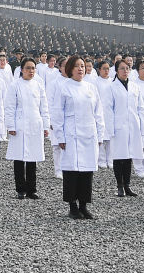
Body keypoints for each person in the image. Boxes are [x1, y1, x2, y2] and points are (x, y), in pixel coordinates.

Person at [50, 54, 105, 220]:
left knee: (87, 171)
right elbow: (58, 113)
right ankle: (72, 205)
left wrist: (100, 134)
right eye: (77, 66)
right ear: (70, 69)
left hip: (89, 134)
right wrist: (60, 137)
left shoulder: (90, 87)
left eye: (83, 66)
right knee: (72, 171)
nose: (81, 69)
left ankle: (84, 205)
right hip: (71, 134)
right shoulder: (64, 87)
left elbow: (98, 112)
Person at [4, 57, 49, 199]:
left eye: (33, 68)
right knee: (19, 158)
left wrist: (46, 125)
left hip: (35, 123)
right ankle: (20, 189)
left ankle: (32, 189)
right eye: (28, 68)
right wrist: (10, 125)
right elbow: (9, 106)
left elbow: (44, 107)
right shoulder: (15, 85)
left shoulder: (38, 85)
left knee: (32, 158)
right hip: (20, 124)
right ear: (22, 69)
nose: (31, 71)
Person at [107, 58, 144, 197]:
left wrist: (142, 127)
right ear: (116, 71)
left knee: (129, 155)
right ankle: (119, 185)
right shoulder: (111, 87)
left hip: (132, 125)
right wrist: (110, 129)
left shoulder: (135, 86)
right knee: (119, 156)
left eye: (127, 68)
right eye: (122, 68)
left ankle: (128, 185)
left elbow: (141, 108)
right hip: (119, 125)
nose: (125, 71)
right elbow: (108, 109)